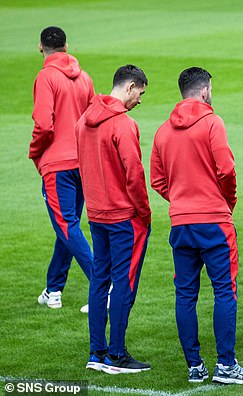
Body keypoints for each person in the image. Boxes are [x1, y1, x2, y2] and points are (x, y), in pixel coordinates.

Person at [150, 67, 243, 385]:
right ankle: (225, 366)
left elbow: (157, 180)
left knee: (185, 295)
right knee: (225, 290)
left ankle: (194, 366)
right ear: (205, 90)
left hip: (181, 223)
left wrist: (181, 200)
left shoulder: (162, 131)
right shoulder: (212, 123)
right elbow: (226, 170)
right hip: (214, 221)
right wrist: (224, 201)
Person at [77, 65, 152, 374]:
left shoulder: (83, 120)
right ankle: (117, 355)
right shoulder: (123, 125)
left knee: (99, 280)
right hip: (123, 216)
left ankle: (97, 352)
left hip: (96, 213)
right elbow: (134, 175)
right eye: (141, 94)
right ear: (130, 87)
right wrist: (144, 212)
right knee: (123, 281)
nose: (140, 100)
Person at [29, 26, 93, 313]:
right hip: (83, 163)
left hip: (57, 166)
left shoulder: (46, 77)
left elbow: (43, 125)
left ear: (41, 47)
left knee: (66, 225)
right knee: (66, 227)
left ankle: (103, 284)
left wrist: (35, 153)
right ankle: (53, 290)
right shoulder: (85, 78)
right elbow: (93, 121)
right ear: (67, 45)